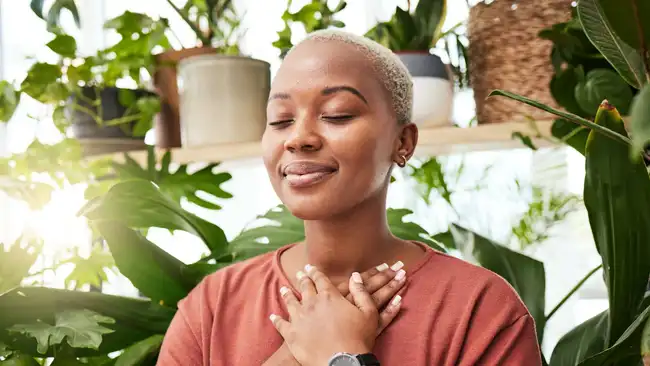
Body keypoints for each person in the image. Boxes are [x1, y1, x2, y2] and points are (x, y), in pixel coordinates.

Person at [157, 29, 543, 366]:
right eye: (280, 119)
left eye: (337, 114)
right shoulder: (212, 306)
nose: (298, 137)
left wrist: (341, 357)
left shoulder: (480, 310)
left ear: (402, 142)